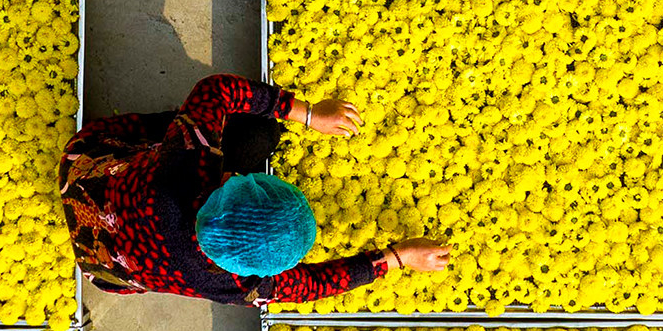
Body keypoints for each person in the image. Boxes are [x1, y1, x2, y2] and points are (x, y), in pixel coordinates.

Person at [59, 73, 452, 306]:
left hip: (85, 173)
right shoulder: (232, 284)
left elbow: (216, 90)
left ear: (228, 183)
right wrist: (397, 259)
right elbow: (312, 287)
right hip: (103, 266)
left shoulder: (187, 157)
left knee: (252, 129)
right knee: (257, 135)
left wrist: (309, 114)